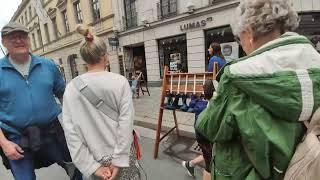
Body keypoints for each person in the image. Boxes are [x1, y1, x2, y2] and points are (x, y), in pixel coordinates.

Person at [196, 0, 320, 179]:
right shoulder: (315, 63)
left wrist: (214, 100)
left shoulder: (237, 77)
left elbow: (208, 127)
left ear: (249, 33)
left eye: (239, 38)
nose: (242, 44)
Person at [0, 22, 82, 180]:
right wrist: (3, 143)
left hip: (52, 132)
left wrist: (76, 123)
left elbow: (63, 94)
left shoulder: (48, 65)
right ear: (4, 42)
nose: (19, 40)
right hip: (16, 138)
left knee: (76, 169)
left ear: (28, 39)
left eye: (22, 36)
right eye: (13, 37)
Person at [61, 24, 141, 180]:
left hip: (95, 161)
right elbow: (126, 124)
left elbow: (71, 133)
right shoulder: (120, 82)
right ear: (105, 56)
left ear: (84, 59)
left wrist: (91, 167)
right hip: (122, 158)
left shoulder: (71, 89)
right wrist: (117, 161)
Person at [182, 80, 216, 180]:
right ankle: (191, 164)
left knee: (208, 153)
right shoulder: (210, 105)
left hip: (201, 133)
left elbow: (191, 106)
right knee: (210, 164)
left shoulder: (203, 102)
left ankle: (190, 164)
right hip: (204, 134)